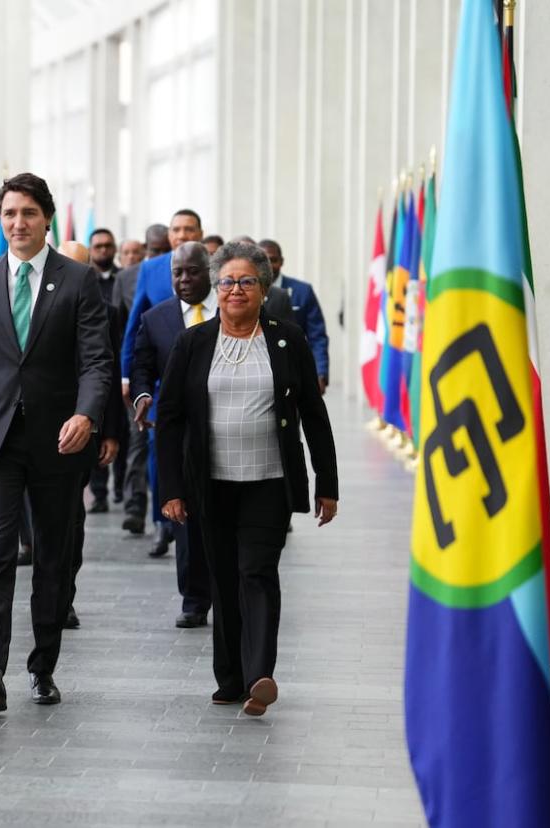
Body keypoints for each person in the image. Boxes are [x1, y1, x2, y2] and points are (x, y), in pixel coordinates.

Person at [155, 241, 338, 717]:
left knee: (256, 572)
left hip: (267, 481)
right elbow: (170, 418)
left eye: (247, 281)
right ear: (216, 289)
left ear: (264, 288)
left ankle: (260, 674)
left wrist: (327, 483)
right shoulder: (192, 343)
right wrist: (171, 489)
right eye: (227, 282)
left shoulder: (286, 338)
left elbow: (313, 415)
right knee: (222, 578)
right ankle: (230, 678)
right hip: (209, 483)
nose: (236, 290)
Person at [0, 173, 110, 711]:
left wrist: (86, 415)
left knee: (52, 557)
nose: (18, 223)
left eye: (28, 214)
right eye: (10, 214)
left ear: (46, 220)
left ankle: (43, 667)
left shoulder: (78, 280)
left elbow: (95, 361)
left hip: (58, 444)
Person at [128, 241, 213, 628]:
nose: (183, 280)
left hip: (229, 429)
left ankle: (230, 590)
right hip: (178, 434)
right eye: (177, 273)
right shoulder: (156, 318)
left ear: (209, 270)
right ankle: (194, 599)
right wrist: (144, 395)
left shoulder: (231, 312)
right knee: (186, 517)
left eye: (192, 272)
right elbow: (143, 366)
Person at [121, 209, 205, 552]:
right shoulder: (151, 268)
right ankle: (161, 522)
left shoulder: (211, 264)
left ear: (200, 232)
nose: (182, 235)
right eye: (176, 230)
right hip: (163, 381)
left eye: (189, 229)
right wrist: (130, 378)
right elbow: (137, 323)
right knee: (160, 452)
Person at [57, 239, 122, 630]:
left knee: (70, 519)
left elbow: (108, 373)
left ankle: (64, 595)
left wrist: (109, 430)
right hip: (27, 428)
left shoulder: (107, 312)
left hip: (80, 430)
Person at [84, 229, 126, 513]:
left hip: (103, 381)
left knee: (107, 439)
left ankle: (120, 488)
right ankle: (98, 494)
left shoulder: (121, 282)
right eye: (97, 246)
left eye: (107, 246)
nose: (102, 250)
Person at [258, 239, 330, 394]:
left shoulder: (302, 291)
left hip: (296, 374)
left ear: (281, 261)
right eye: (264, 261)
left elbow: (317, 336)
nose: (269, 265)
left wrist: (320, 373)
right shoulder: (247, 292)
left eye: (273, 260)